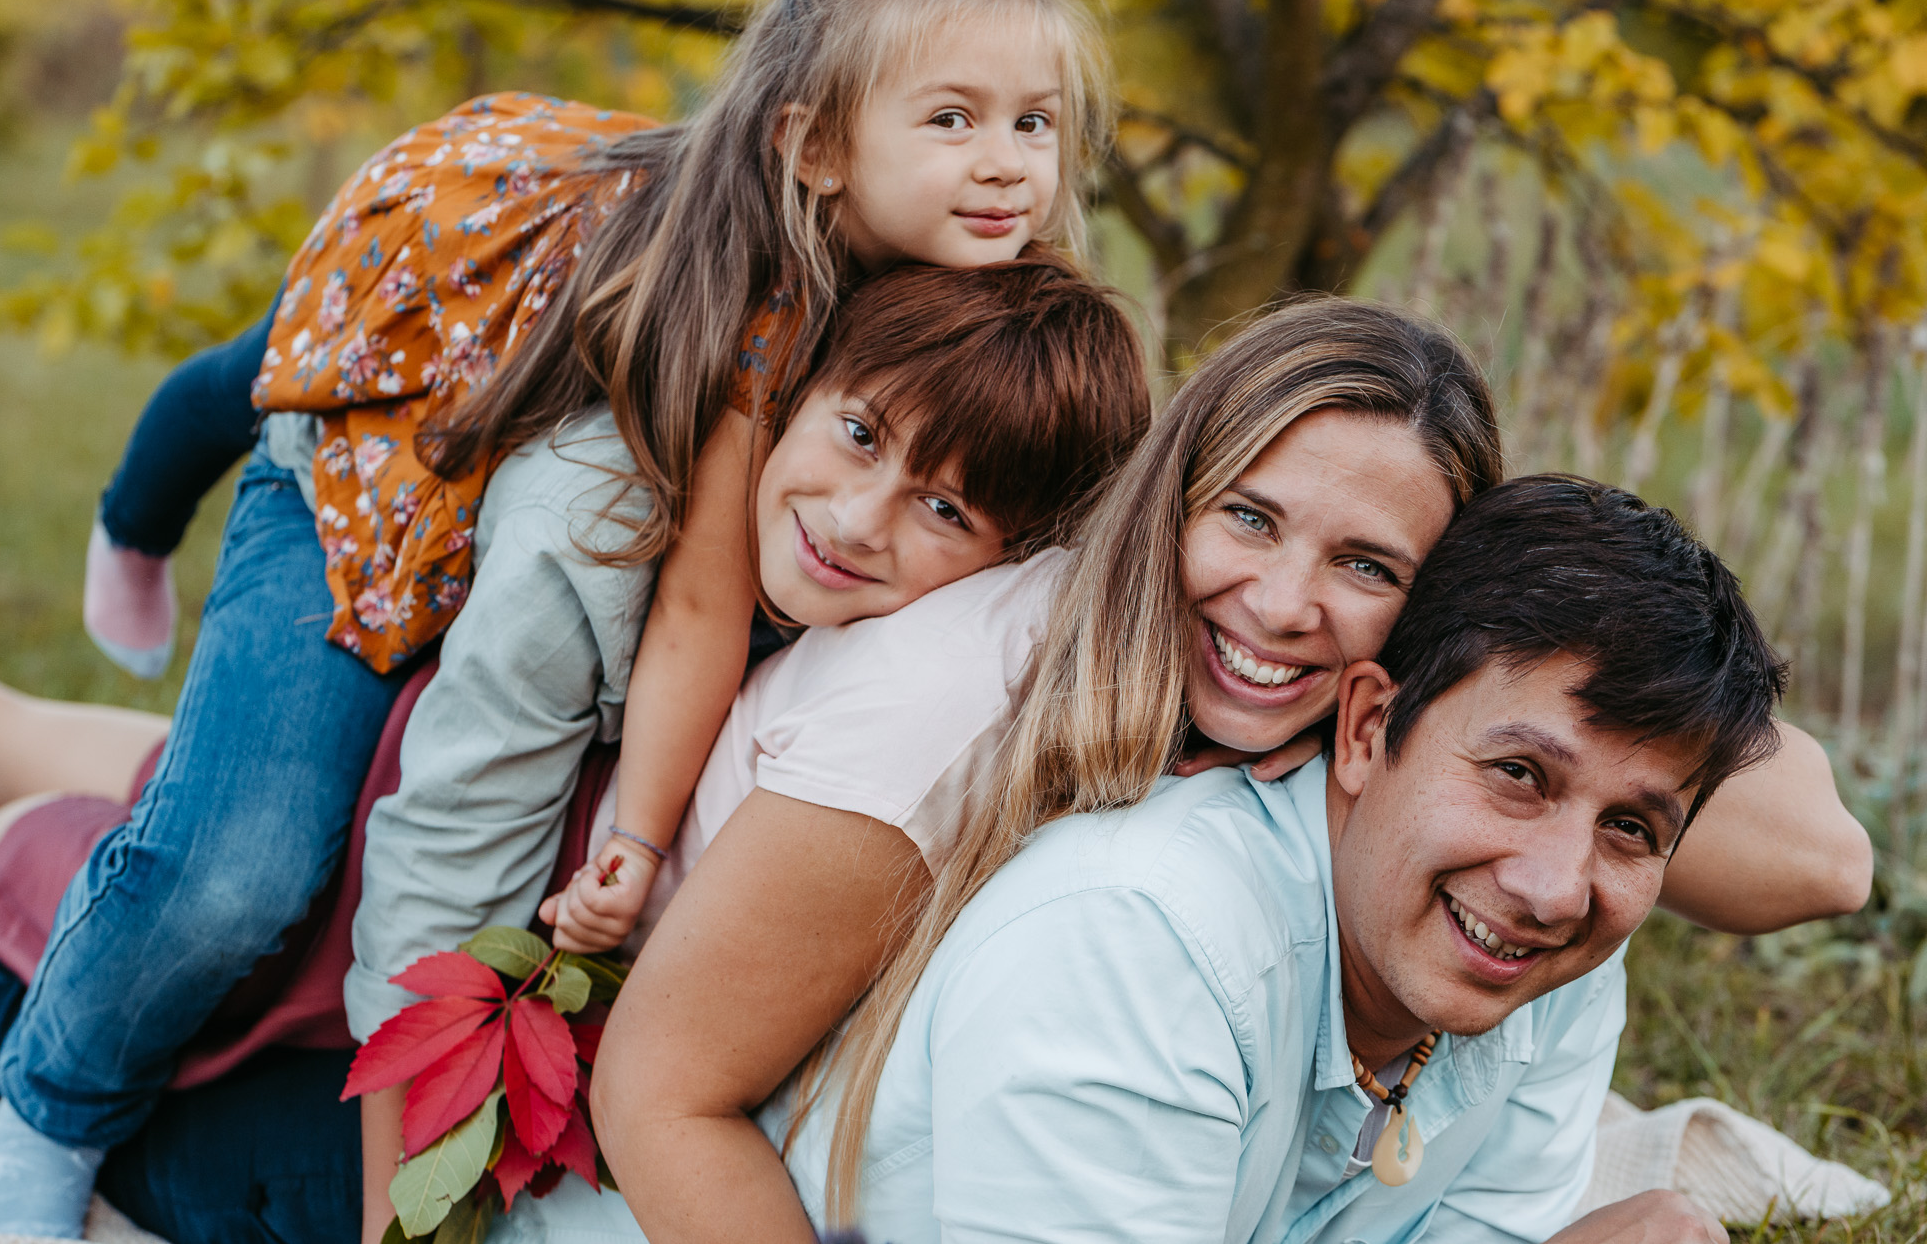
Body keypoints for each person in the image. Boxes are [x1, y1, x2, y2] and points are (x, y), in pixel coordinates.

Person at [0, 0, 1111, 1239]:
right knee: (244, 865)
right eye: (954, 118)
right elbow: (644, 642)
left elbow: (722, 597)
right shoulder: (620, 462)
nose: (1010, 162)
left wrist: (638, 836)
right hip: (374, 448)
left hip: (508, 288)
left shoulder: (950, 292)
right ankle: (46, 1107)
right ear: (815, 145)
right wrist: (412, 1188)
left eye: (1037, 120)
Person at [501, 301, 1868, 1242]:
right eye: (1252, 518)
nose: (1281, 604)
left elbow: (1820, 854)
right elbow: (665, 1090)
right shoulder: (959, 711)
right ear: (1172, 497)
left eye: (1368, 565)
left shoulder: (1399, 774)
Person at [0, 252, 1151, 1244]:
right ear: (795, 389)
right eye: (860, 436)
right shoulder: (609, 533)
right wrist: (396, 1215)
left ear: (1013, 553)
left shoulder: (848, 604)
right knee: (183, 922)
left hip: (505, 817)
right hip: (426, 836)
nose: (860, 520)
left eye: (943, 509)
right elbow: (433, 860)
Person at [774, 475, 1783, 1244]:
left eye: (1630, 828)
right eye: (1517, 773)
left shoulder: (1556, 970)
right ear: (1365, 728)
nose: (1553, 886)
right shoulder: (1134, 941)